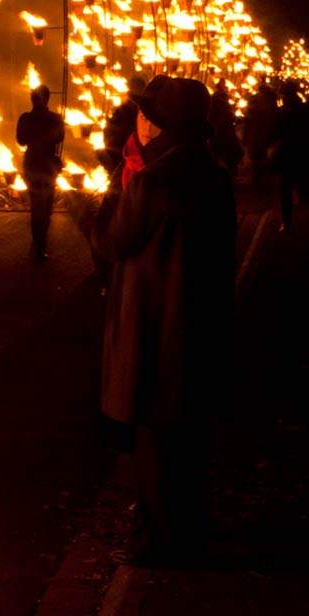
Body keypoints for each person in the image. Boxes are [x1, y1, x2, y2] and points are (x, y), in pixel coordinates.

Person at [94, 76, 235, 565]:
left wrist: (100, 198)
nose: (140, 122)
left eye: (146, 117)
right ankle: (190, 528)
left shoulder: (152, 183)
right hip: (200, 323)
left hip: (155, 329)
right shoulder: (213, 177)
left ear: (159, 127)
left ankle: (158, 541)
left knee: (154, 441)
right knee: (191, 438)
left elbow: (113, 242)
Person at [14, 85, 65, 260]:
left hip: (31, 164)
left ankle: (38, 244)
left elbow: (20, 140)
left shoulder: (25, 119)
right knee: (47, 204)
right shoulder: (55, 118)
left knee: (36, 205)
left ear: (32, 99)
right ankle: (40, 244)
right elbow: (60, 137)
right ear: (47, 99)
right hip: (48, 164)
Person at [274, 84, 309, 228]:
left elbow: (278, 133)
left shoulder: (282, 112)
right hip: (305, 152)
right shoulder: (308, 109)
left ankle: (288, 222)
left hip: (289, 154)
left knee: (286, 189)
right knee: (305, 186)